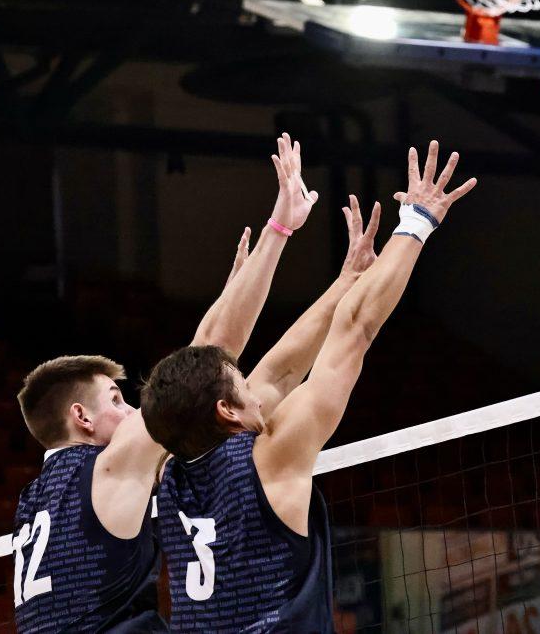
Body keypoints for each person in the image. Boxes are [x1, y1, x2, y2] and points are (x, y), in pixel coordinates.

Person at [142, 141, 477, 632]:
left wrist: (346, 281)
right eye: (242, 386)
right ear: (226, 411)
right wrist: (418, 222)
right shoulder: (271, 456)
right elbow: (355, 330)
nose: (256, 392)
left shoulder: (169, 475)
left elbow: (279, 372)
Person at [12, 134, 318, 633]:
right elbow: (205, 362)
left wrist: (231, 293)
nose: (133, 412)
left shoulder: (32, 502)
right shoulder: (105, 470)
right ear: (81, 417)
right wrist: (279, 229)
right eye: (115, 400)